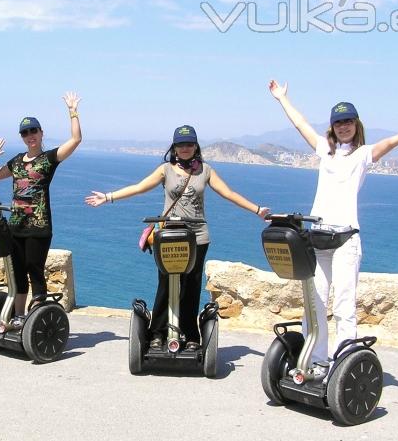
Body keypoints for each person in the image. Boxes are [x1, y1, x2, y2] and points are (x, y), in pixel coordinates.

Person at [268, 79, 398, 375]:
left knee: (345, 306)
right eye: (338, 122)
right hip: (318, 237)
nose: (343, 126)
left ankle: (342, 364)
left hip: (346, 239)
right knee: (314, 304)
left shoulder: (363, 155)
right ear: (332, 127)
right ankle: (316, 360)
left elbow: (394, 141)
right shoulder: (324, 150)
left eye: (348, 121)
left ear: (356, 125)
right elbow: (301, 124)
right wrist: (282, 98)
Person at [85, 125, 270, 351]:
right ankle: (157, 333)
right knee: (165, 285)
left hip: (198, 237)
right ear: (174, 147)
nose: (185, 148)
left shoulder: (206, 170)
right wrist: (108, 197)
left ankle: (191, 335)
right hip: (169, 236)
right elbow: (140, 187)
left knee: (191, 287)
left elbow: (229, 194)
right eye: (181, 144)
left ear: (196, 146)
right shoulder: (165, 170)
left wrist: (257, 209)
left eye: (189, 144)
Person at [0, 92, 82, 328]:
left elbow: (76, 139)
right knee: (18, 273)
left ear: (41, 134)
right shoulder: (18, 161)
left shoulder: (48, 158)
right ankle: (19, 318)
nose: (30, 136)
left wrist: (73, 111)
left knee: (34, 270)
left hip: (39, 227)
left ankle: (38, 319)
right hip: (15, 226)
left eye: (33, 131)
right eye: (25, 133)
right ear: (22, 137)